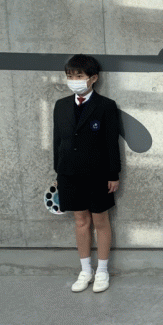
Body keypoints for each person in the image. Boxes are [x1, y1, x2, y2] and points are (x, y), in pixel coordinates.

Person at [53, 55, 121, 293]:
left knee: (101, 221)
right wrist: (58, 172)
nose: (74, 80)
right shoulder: (61, 105)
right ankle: (85, 270)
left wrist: (113, 174)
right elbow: (57, 142)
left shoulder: (106, 106)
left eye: (79, 76)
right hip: (69, 174)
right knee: (80, 221)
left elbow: (111, 143)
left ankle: (102, 271)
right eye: (70, 76)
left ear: (93, 78)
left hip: (98, 174)